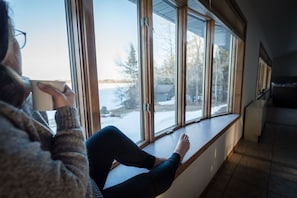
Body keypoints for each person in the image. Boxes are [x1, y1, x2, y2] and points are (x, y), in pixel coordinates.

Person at [0, 1, 190, 197]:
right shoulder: (4, 138)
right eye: (13, 35)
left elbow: (45, 148)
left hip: (67, 177)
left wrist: (23, 86)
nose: (17, 45)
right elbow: (73, 190)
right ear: (4, 48)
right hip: (77, 189)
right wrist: (67, 114)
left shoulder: (16, 93)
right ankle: (176, 156)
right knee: (147, 183)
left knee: (109, 135)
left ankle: (154, 162)